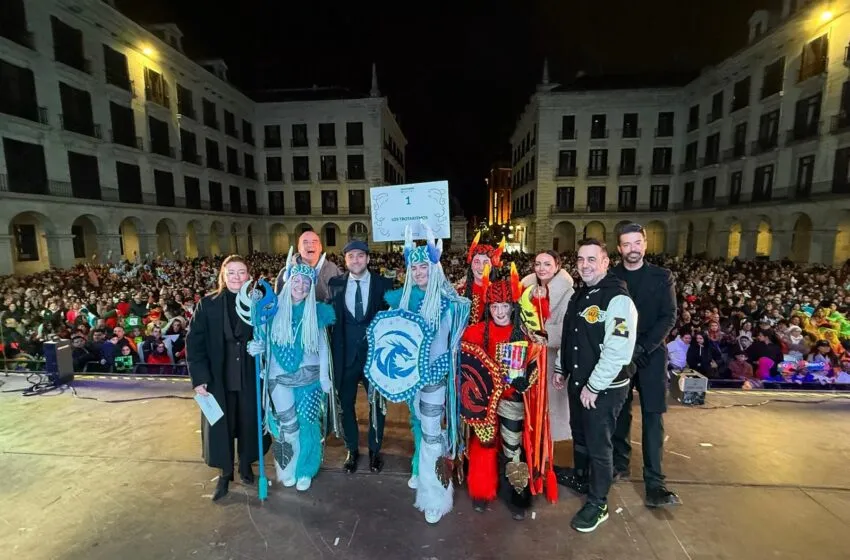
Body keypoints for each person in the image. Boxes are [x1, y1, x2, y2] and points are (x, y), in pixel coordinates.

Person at [365, 224, 470, 524]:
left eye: (425, 265)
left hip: (436, 377)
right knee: (422, 430)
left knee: (433, 434)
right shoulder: (401, 302)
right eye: (415, 266)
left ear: (434, 267)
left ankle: (435, 495)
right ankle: (426, 477)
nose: (420, 271)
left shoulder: (451, 304)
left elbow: (453, 345)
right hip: (412, 379)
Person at [460, 264, 557, 520]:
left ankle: (517, 495)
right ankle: (482, 491)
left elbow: (535, 365)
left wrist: (527, 379)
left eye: (505, 306)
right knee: (484, 445)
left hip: (511, 399)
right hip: (483, 403)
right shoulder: (473, 332)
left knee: (513, 448)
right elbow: (465, 366)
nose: (500, 312)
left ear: (512, 307)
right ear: (488, 308)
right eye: (495, 307)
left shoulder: (523, 334)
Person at [555, 238, 638, 533]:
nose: (585, 265)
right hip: (580, 383)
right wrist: (560, 368)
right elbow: (571, 337)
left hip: (604, 388)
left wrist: (594, 386)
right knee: (580, 434)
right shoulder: (580, 295)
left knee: (600, 444)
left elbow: (618, 350)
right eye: (580, 259)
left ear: (605, 262)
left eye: (592, 259)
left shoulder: (617, 299)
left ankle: (599, 501)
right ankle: (581, 474)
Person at [247, 248, 336, 491]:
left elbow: (324, 348)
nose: (301, 286)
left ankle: (306, 469)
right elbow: (263, 341)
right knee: (286, 426)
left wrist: (325, 377)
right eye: (297, 280)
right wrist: (256, 348)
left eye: (306, 282)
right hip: (278, 377)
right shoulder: (271, 311)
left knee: (308, 424)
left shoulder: (317, 313)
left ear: (310, 287)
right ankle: (286, 466)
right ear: (288, 281)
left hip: (309, 378)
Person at [611, 223, 681, 508]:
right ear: (619, 248)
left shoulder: (662, 276)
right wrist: (626, 349)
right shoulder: (612, 276)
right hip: (620, 354)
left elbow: (669, 316)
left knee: (653, 418)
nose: (632, 249)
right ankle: (619, 464)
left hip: (651, 355)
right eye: (626, 244)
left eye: (637, 243)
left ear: (645, 244)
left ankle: (655, 482)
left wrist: (642, 347)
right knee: (619, 413)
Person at [187, 255, 267, 502]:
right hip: (217, 376)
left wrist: (262, 345)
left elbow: (271, 333)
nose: (236, 277)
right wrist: (199, 378)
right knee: (221, 425)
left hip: (249, 374)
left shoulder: (259, 303)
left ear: (248, 276)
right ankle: (225, 472)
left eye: (241, 272)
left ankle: (246, 465)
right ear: (223, 275)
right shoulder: (208, 304)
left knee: (248, 421)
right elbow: (194, 342)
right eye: (230, 272)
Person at [328, 240, 393, 474]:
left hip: (375, 357)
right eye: (350, 256)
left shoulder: (384, 284)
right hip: (345, 356)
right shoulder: (334, 284)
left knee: (377, 405)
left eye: (360, 256)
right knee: (346, 406)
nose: (355, 260)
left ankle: (375, 450)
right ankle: (351, 449)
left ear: (367, 258)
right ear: (345, 260)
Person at [520, 251, 575, 462]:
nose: (542, 268)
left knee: (549, 411)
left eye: (547, 264)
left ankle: (545, 461)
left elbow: (568, 329)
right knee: (529, 408)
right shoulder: (526, 289)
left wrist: (542, 334)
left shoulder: (568, 293)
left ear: (557, 266)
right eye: (538, 264)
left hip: (553, 361)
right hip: (529, 358)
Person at [274, 231, 341, 301]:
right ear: (299, 248)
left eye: (314, 242)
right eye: (305, 242)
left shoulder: (333, 269)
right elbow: (278, 301)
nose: (310, 245)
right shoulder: (286, 272)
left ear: (320, 247)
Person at [455, 232, 505, 325]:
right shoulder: (459, 292)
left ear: (492, 266)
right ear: (471, 266)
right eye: (477, 262)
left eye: (486, 262)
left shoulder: (501, 292)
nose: (481, 267)